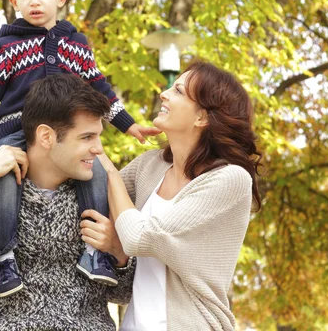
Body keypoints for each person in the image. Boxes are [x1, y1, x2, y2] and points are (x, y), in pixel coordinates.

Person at [0, 0, 159, 296]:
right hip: (15, 131)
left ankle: (95, 253)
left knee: (97, 175)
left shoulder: (76, 45)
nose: (34, 1)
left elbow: (101, 89)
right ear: (13, 1)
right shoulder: (8, 45)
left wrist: (129, 126)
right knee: (6, 183)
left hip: (66, 137)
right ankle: (5, 258)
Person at [0, 74, 135, 330]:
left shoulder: (102, 191)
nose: (99, 149)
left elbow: (124, 295)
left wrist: (119, 253)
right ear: (46, 137)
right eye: (87, 137)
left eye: (98, 136)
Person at [82, 59, 263, 330]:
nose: (163, 93)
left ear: (202, 117)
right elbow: (99, 204)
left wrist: (108, 169)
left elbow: (137, 236)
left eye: (178, 91)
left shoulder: (230, 180)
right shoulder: (150, 165)